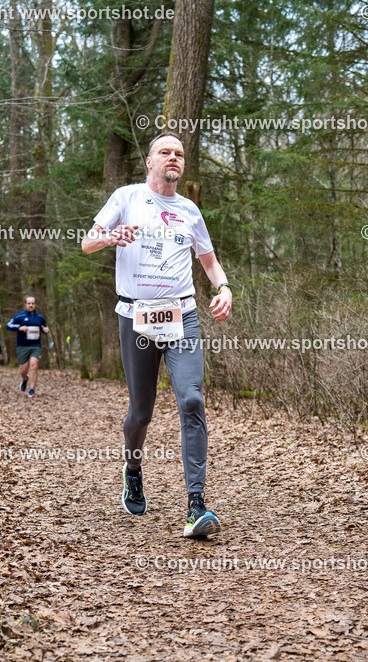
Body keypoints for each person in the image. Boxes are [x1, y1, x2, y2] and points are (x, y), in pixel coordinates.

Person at [81, 131, 233, 538]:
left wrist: (224, 288)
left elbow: (210, 263)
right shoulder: (126, 197)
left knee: (192, 399)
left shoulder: (190, 211)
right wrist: (110, 237)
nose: (173, 158)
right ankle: (133, 469)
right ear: (149, 162)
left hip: (181, 316)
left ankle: (196, 505)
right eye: (165, 152)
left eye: (179, 153)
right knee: (141, 413)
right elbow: (87, 242)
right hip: (136, 317)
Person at [6, 296, 50, 398]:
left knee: (34, 365)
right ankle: (25, 379)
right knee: (23, 370)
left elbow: (45, 327)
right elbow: (8, 325)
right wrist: (19, 327)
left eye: (32, 303)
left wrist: (46, 330)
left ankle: (32, 390)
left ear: (35, 305)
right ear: (25, 304)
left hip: (36, 346)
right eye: (29, 303)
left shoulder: (40, 317)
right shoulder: (19, 316)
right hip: (22, 346)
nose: (31, 305)